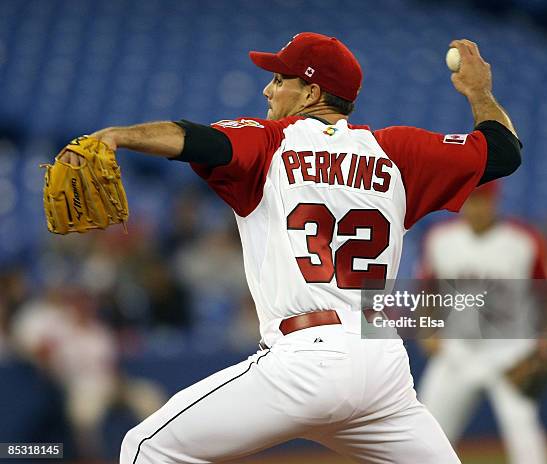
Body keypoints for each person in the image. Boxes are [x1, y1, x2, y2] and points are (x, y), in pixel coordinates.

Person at [60, 32, 522, 463]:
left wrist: (117, 136)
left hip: (308, 358)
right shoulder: (398, 152)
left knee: (145, 447)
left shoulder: (271, 141)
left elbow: (194, 139)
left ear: (311, 95)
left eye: (280, 79)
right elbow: (504, 151)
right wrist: (479, 92)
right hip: (382, 370)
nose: (268, 90)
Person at [416, 181, 547, 464]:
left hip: (510, 352)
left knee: (525, 438)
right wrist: (427, 330)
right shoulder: (440, 239)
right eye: (470, 201)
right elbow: (428, 291)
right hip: (457, 351)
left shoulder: (523, 240)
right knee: (427, 433)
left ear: (495, 201)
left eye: (482, 200)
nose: (475, 207)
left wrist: (544, 344)